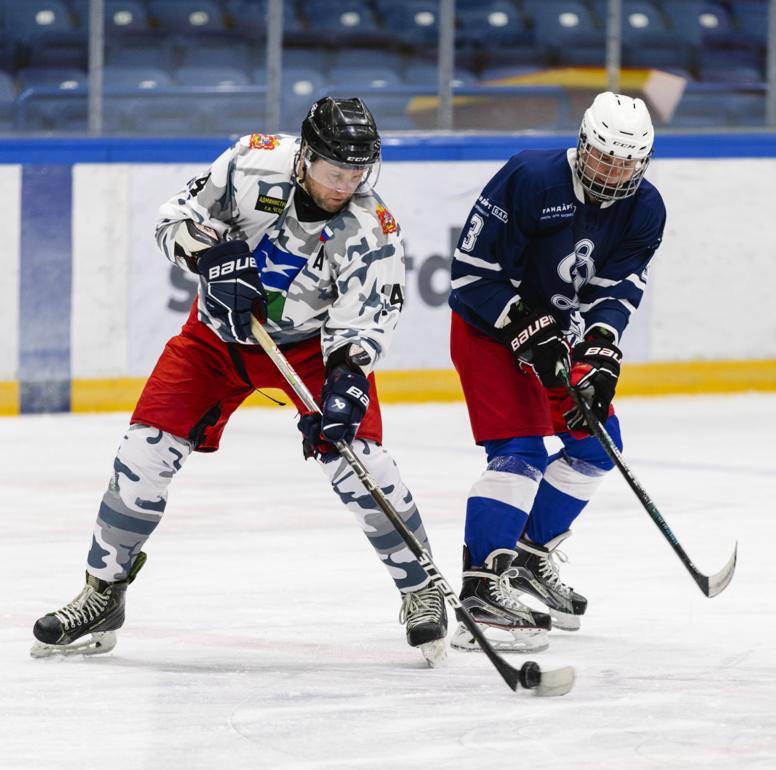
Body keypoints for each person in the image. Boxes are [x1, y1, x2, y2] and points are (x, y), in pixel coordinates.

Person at [31, 98, 450, 666]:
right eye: (335, 171)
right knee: (143, 453)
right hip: (214, 339)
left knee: (361, 461)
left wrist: (347, 382)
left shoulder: (371, 228)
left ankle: (419, 587)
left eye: (358, 172)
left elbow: (366, 318)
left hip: (308, 349)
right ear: (305, 157)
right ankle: (103, 591)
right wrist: (209, 257)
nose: (346, 184)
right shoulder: (251, 164)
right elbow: (170, 220)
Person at [446, 92, 665, 652]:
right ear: (582, 144)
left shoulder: (647, 209)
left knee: (597, 446)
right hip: (489, 332)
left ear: (642, 162)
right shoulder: (529, 176)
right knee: (519, 451)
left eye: (624, 163)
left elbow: (617, 290)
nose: (611, 172)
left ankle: (527, 558)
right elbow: (470, 277)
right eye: (602, 158)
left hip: (557, 336)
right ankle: (480, 590)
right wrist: (526, 325)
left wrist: (600, 349)